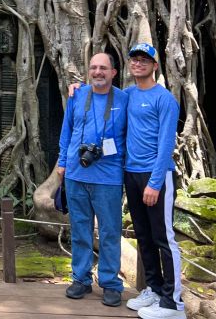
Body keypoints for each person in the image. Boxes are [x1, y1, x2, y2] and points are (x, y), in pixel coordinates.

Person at [57, 52, 128, 308]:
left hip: (108, 177)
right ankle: (81, 278)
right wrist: (62, 163)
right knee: (80, 229)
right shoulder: (77, 95)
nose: (98, 72)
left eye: (103, 68)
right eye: (94, 68)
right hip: (76, 174)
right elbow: (66, 130)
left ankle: (110, 283)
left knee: (110, 231)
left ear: (113, 73)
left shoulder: (124, 99)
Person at [123, 43, 185, 319]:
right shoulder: (127, 95)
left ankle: (174, 303)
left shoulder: (165, 99)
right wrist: (75, 91)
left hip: (155, 174)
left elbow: (165, 145)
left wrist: (155, 182)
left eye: (145, 60)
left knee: (163, 237)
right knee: (144, 235)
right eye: (134, 59)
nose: (139, 63)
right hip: (131, 173)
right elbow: (100, 95)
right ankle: (154, 289)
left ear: (155, 66)